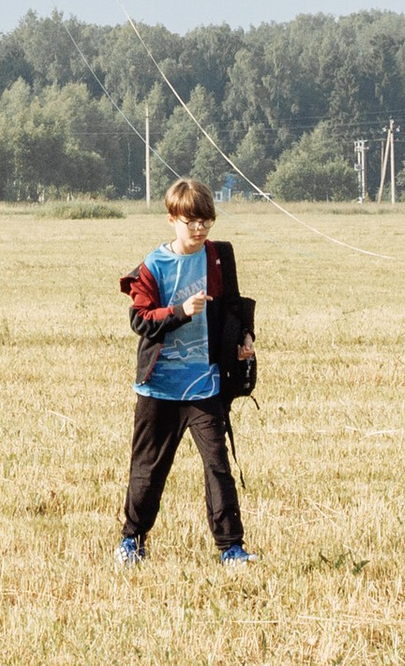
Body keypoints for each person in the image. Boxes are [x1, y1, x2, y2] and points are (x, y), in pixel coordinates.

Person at [117, 177, 255, 569]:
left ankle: (232, 548)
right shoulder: (153, 266)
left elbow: (232, 306)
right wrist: (180, 312)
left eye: (205, 222)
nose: (199, 229)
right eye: (191, 221)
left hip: (204, 385)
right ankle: (132, 541)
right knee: (147, 469)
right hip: (158, 387)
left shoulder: (218, 257)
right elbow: (141, 320)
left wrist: (245, 337)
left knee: (218, 466)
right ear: (171, 219)